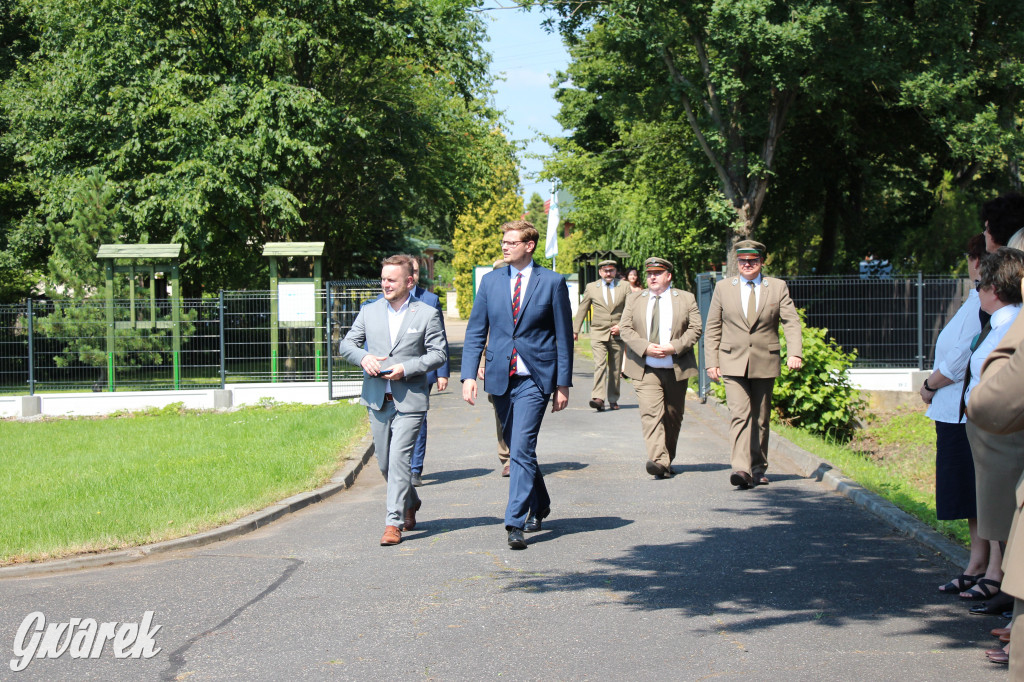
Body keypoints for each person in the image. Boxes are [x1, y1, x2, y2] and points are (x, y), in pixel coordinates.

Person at [461, 220, 573, 550]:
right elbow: (475, 331)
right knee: (518, 445)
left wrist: (562, 384)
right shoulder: (491, 282)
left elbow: (563, 337)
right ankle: (540, 504)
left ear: (530, 245)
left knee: (521, 447)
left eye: (512, 242)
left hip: (535, 378)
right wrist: (469, 375)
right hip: (500, 377)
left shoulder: (551, 282)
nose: (505, 247)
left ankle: (514, 521)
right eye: (503, 242)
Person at [338, 255, 447, 546]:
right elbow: (346, 344)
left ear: (408, 282)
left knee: (400, 459)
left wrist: (407, 368)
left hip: (410, 399)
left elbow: (439, 354)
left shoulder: (426, 313)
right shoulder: (370, 311)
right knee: (386, 465)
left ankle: (393, 523)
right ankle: (411, 501)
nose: (385, 284)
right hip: (377, 398)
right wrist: (364, 358)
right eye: (383, 279)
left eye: (391, 280)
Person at [919, 234, 990, 594]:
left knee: (976, 492)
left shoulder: (984, 301)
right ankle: (977, 561)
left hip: (963, 408)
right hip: (950, 411)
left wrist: (931, 384)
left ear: (975, 259)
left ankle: (987, 567)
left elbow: (965, 352)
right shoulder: (974, 297)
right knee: (966, 494)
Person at [704, 239, 803, 489]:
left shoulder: (777, 287)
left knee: (760, 418)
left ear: (762, 262)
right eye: (743, 261)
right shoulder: (724, 287)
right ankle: (741, 468)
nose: (747, 265)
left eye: (753, 261)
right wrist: (711, 361)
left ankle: (758, 467)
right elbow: (713, 326)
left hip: (764, 360)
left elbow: (790, 322)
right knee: (740, 414)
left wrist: (795, 353)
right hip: (732, 360)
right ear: (736, 263)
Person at [959, 248, 1024, 605]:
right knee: (997, 515)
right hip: (987, 430)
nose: (977, 290)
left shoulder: (1011, 327)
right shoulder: (999, 324)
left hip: (1003, 435)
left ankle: (1009, 598)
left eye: (981, 284)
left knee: (1006, 518)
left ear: (995, 290)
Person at [619, 257, 702, 479]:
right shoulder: (635, 299)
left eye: (657, 273)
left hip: (676, 367)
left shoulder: (685, 298)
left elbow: (695, 329)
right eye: (649, 274)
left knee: (673, 416)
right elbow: (625, 328)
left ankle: (667, 460)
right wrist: (645, 347)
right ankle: (658, 460)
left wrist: (673, 347)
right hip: (645, 368)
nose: (652, 277)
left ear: (668, 276)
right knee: (651, 413)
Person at [406, 257, 450, 488]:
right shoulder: (385, 299)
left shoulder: (430, 299)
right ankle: (400, 464)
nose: (412, 275)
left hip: (423, 370)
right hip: (392, 370)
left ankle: (415, 469)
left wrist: (442, 372)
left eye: (415, 270)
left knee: (418, 417)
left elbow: (439, 338)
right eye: (409, 270)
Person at [573, 259, 628, 411]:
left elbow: (631, 309)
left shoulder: (625, 286)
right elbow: (583, 308)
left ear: (615, 272)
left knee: (615, 369)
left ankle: (613, 398)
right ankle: (598, 398)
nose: (608, 273)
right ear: (600, 272)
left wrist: (621, 327)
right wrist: (575, 330)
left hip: (617, 333)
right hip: (598, 332)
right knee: (600, 365)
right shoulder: (592, 287)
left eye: (611, 270)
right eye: (605, 271)